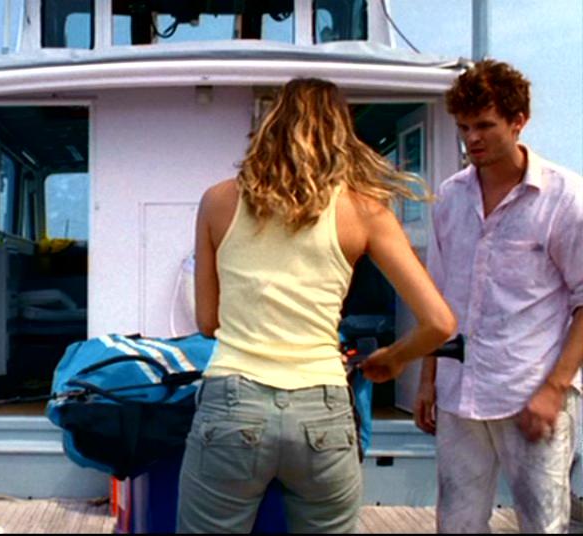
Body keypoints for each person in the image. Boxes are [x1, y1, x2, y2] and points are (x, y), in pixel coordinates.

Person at [176, 78, 457, 533]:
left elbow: (208, 322)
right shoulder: (366, 211)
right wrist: (393, 358)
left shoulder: (218, 201)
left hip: (233, 402)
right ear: (340, 133)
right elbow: (439, 323)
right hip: (321, 409)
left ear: (271, 125)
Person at [413, 60, 583, 533]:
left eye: (485, 125)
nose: (472, 138)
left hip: (531, 391)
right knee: (456, 525)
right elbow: (438, 298)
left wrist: (554, 390)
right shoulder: (450, 197)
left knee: (543, 526)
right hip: (458, 394)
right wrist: (428, 380)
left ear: (518, 121)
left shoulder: (565, 197)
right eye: (464, 127)